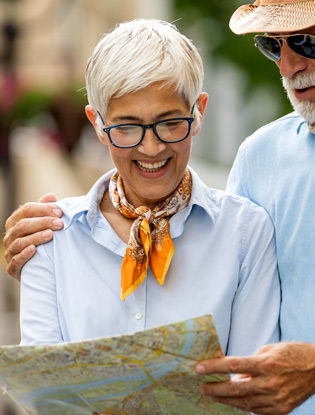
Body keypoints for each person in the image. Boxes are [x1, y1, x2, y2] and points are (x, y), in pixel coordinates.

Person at [4, 1, 315, 414]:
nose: (291, 65)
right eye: (273, 46)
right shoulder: (260, 157)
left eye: (307, 41)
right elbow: (213, 270)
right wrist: (52, 253)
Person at [18, 18, 280, 365]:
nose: (152, 148)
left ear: (198, 112)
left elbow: (253, 380)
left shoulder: (245, 233)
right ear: (97, 123)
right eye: (127, 127)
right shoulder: (52, 239)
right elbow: (41, 385)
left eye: (170, 123)